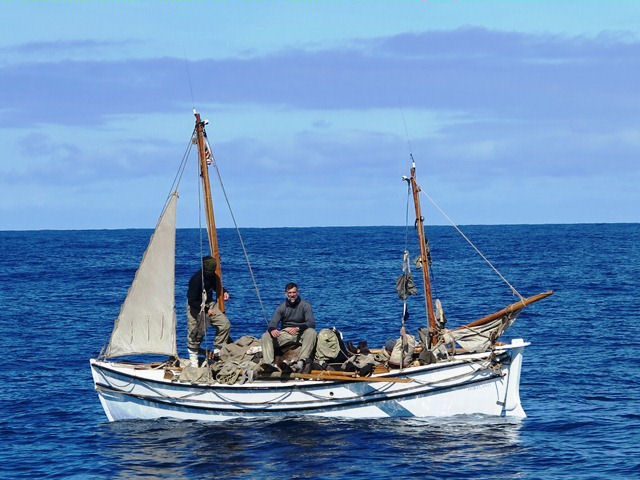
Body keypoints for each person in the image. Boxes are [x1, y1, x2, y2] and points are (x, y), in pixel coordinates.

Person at [261, 282, 316, 373]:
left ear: (297, 292)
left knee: (312, 332)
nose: (292, 295)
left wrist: (298, 328)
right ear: (286, 294)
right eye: (289, 293)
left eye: (294, 292)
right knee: (265, 336)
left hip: (300, 333)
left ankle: (302, 361)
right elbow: (273, 323)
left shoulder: (305, 305)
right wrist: (273, 329)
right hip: (286, 334)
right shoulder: (281, 307)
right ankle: (269, 364)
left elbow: (311, 323)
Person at [186, 256, 231, 366]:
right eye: (208, 271)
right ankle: (194, 362)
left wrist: (224, 291)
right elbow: (192, 300)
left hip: (209, 304)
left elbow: (216, 286)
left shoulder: (213, 276)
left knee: (224, 324)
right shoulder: (195, 280)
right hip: (196, 307)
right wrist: (206, 310)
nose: (210, 273)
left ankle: (217, 351)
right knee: (196, 334)